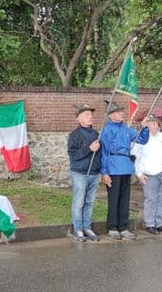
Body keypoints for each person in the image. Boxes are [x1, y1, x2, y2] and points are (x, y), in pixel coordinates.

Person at [100, 101, 149, 240]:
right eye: (118, 111)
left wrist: (144, 127)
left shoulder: (127, 128)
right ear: (110, 115)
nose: (122, 113)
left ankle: (123, 227)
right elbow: (103, 152)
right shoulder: (107, 130)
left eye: (121, 111)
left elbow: (142, 139)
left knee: (124, 199)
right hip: (113, 167)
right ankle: (112, 227)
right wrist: (104, 172)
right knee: (114, 199)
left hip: (126, 167)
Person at [131, 115, 162, 235]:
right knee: (151, 199)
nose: (154, 125)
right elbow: (135, 157)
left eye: (156, 123)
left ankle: (159, 222)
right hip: (150, 174)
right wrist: (139, 174)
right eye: (150, 123)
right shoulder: (140, 139)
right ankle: (150, 224)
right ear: (145, 125)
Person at [67, 103, 102, 242]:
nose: (90, 117)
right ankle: (78, 230)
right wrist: (89, 149)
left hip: (94, 173)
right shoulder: (74, 135)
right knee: (79, 203)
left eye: (91, 114)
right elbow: (73, 155)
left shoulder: (95, 134)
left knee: (89, 202)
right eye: (87, 114)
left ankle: (87, 227)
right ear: (79, 118)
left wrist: (99, 169)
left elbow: (99, 155)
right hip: (80, 173)